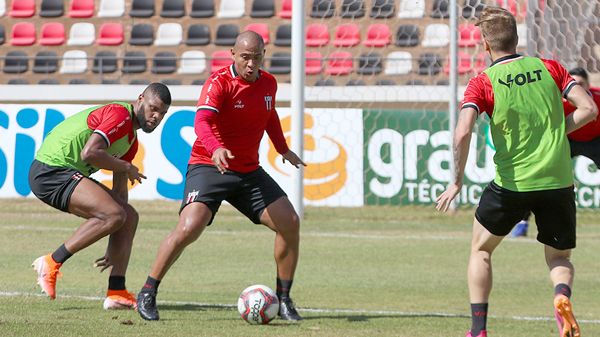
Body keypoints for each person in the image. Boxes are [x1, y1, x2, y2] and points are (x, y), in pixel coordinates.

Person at [435, 7, 597, 337]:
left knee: (481, 250)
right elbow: (590, 109)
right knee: (559, 259)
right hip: (557, 181)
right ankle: (561, 297)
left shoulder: (483, 82)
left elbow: (462, 132)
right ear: (517, 38)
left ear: (484, 44)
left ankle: (478, 330)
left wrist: (456, 181)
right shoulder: (548, 67)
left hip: (512, 184)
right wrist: (556, 131)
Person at [136, 31, 306, 322]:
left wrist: (283, 148)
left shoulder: (269, 83)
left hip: (248, 172)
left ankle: (285, 299)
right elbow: (201, 121)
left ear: (264, 55)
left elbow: (269, 115)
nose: (251, 64)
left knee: (290, 222)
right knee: (190, 226)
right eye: (245, 57)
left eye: (257, 57)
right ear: (233, 54)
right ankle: (148, 291)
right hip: (208, 165)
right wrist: (216, 149)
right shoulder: (219, 83)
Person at [29, 83, 172, 309]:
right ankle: (52, 262)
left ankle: (116, 292)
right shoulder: (119, 115)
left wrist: (115, 230)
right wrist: (125, 167)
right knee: (114, 214)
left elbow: (119, 195)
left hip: (65, 173)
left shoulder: (131, 142)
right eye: (153, 108)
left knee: (128, 216)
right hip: (50, 170)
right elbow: (90, 152)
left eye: (162, 113)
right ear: (140, 99)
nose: (156, 117)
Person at [512, 67, 600, 237]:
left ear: (589, 85)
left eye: (581, 84)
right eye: (574, 84)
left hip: (596, 140)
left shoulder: (597, 98)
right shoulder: (558, 101)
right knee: (537, 174)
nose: (578, 88)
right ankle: (522, 222)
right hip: (566, 139)